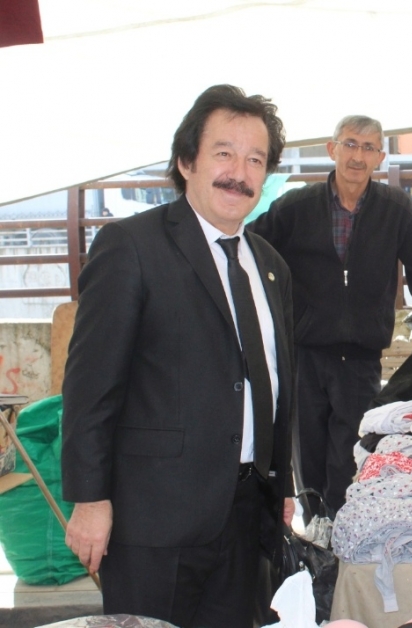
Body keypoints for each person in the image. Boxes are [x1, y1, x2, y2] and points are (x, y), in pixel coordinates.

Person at [61, 84, 296, 628]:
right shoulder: (131, 247)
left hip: (246, 519)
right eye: (224, 153)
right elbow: (91, 387)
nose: (239, 173)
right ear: (186, 161)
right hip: (153, 523)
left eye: (255, 159)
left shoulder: (270, 266)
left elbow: (276, 384)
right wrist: (90, 501)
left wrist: (280, 485)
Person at [248, 115, 412, 513]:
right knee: (307, 459)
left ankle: (346, 540)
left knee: (352, 458)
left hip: (360, 359)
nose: (357, 156)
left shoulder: (396, 209)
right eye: (350, 144)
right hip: (305, 354)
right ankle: (316, 537)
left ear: (380, 157)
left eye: (368, 148)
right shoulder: (296, 206)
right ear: (332, 149)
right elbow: (250, 250)